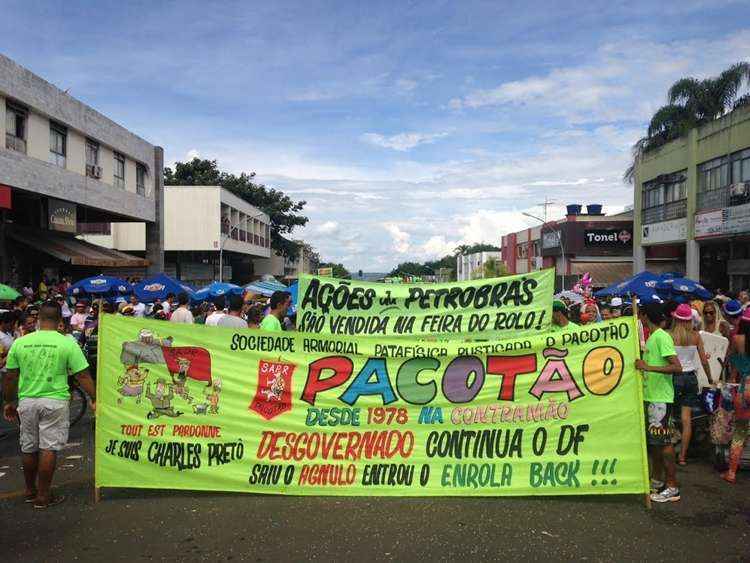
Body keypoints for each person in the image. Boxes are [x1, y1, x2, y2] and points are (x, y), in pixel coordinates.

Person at [2, 302, 96, 508]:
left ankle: (29, 491)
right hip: (55, 401)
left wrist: (9, 402)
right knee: (48, 448)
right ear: (59, 322)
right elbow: (82, 375)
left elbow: (10, 377)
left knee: (28, 447)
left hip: (27, 401)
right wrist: (94, 398)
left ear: (38, 320)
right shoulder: (67, 343)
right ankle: (43, 496)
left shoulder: (21, 342)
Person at [636, 303, 683, 503]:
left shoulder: (662, 337)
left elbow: (677, 367)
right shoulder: (653, 337)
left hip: (660, 399)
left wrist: (648, 367)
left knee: (663, 443)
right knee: (655, 443)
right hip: (652, 397)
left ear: (646, 316)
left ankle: (672, 486)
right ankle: (657, 480)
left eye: (640, 315)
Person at [669, 304, 712, 466]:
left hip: (673, 377)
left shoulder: (669, 335)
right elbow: (704, 361)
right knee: (687, 419)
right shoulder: (695, 336)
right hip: (690, 378)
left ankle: (670, 450)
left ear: (675, 318)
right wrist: (709, 377)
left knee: (669, 415)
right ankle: (682, 457)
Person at [723, 308, 750, 484]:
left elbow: (728, 360)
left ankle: (731, 472)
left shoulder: (737, 339)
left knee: (740, 434)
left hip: (745, 388)